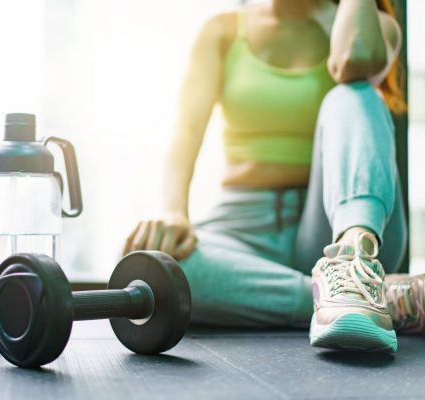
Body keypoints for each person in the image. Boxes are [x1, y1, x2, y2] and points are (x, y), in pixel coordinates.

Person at [122, 0, 424, 352]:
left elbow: (353, 61)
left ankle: (353, 262)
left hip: (334, 222)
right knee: (150, 265)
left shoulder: (370, 27)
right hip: (244, 225)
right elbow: (186, 132)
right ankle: (369, 297)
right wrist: (174, 213)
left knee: (354, 93)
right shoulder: (223, 32)